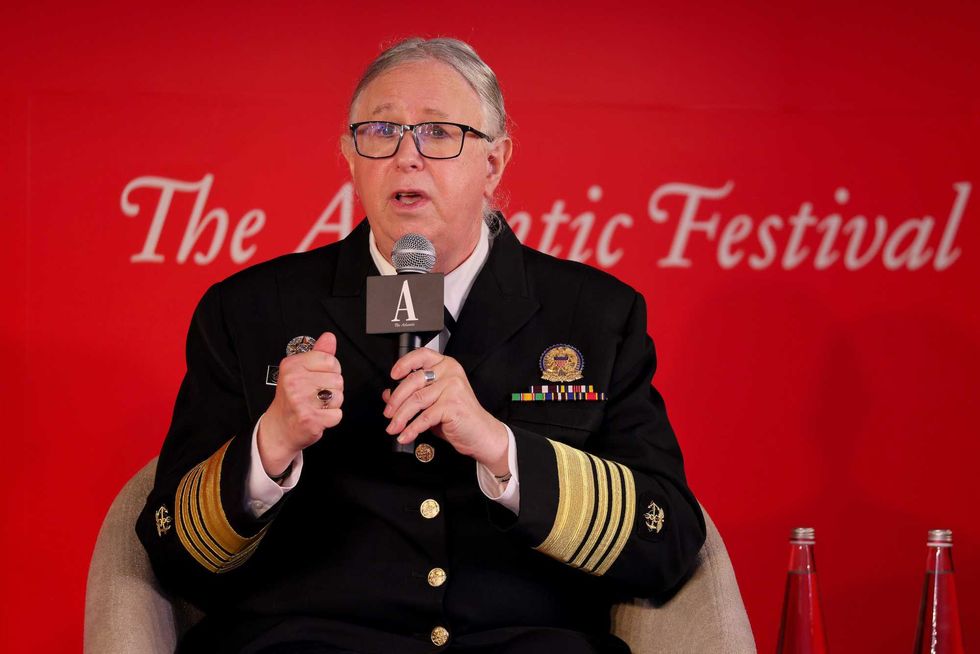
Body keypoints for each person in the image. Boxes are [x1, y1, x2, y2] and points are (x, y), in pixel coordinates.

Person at [137, 37, 706, 654]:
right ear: (351, 157)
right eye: (381, 132)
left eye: (439, 133)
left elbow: (668, 540)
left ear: (493, 163)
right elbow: (171, 555)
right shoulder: (248, 310)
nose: (407, 157)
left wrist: (502, 448)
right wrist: (268, 447)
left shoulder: (596, 315)